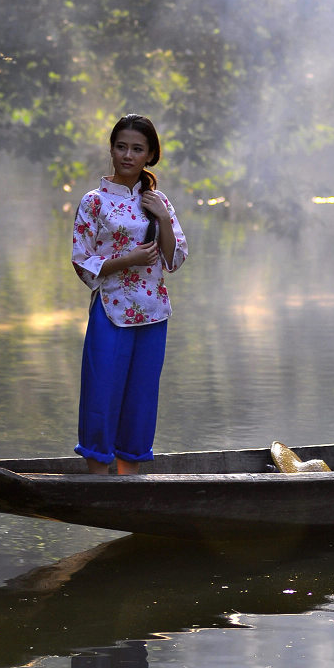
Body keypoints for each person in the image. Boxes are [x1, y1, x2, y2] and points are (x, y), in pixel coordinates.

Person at [71, 114, 188, 474]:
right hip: (111, 310)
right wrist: (128, 260)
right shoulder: (94, 201)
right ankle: (96, 474)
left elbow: (174, 258)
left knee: (140, 398)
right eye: (121, 147)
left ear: (150, 154)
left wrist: (164, 220)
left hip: (152, 312)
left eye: (137, 149)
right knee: (101, 393)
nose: (127, 155)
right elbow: (81, 261)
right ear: (111, 149)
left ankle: (130, 477)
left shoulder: (158, 201)